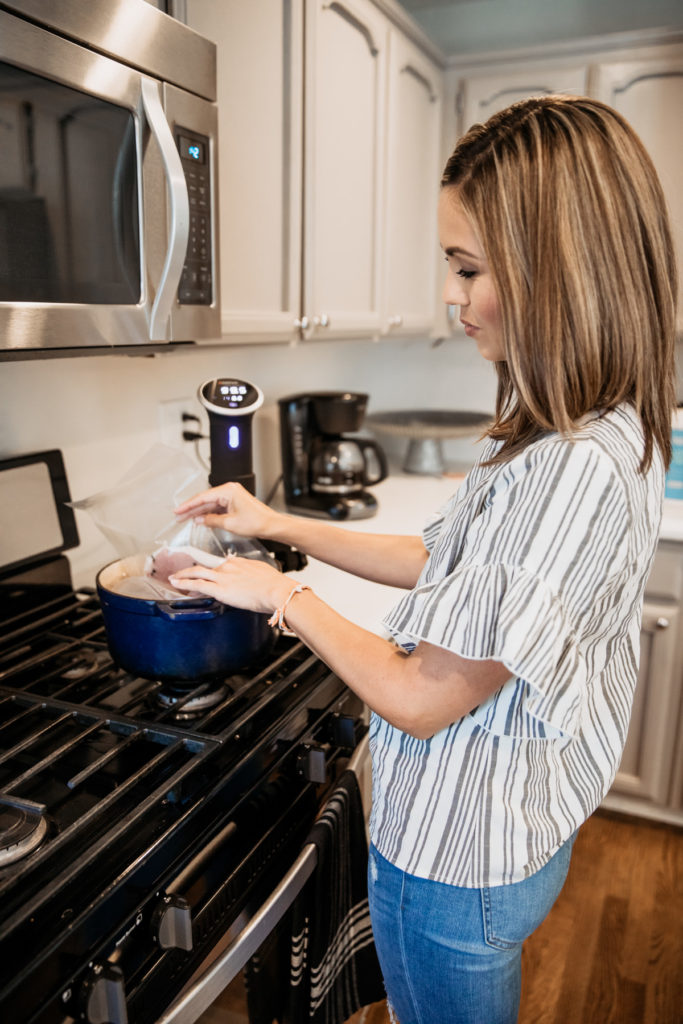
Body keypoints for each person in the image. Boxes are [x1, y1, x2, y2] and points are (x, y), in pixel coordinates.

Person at [170, 95, 677, 1024]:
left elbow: (422, 698)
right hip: (516, 823)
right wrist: (276, 520)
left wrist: (281, 595)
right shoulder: (589, 427)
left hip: (456, 859)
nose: (450, 294)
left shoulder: (569, 468)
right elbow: (440, 557)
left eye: (468, 266)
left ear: (557, 269)